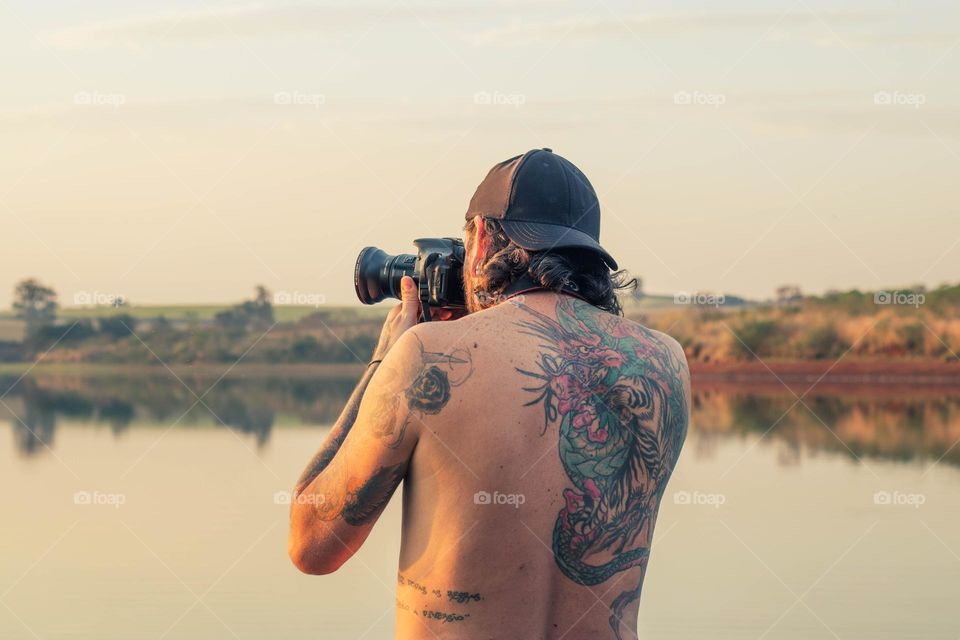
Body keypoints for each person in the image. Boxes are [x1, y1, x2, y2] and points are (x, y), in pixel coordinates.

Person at [288, 149, 690, 639]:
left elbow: (312, 546)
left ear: (479, 240)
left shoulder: (425, 356)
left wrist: (383, 362)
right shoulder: (663, 364)